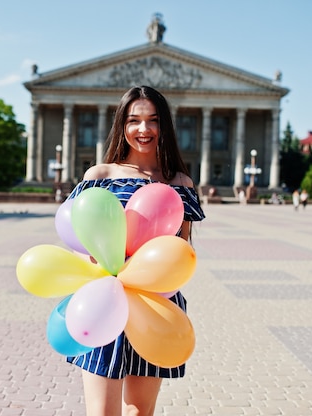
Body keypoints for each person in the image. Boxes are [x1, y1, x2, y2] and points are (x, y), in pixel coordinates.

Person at [64, 86, 205, 415]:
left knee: (140, 412)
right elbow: (76, 239)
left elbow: (181, 249)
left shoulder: (179, 184)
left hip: (155, 305)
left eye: (153, 120)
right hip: (103, 302)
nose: (144, 129)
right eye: (135, 120)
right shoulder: (99, 177)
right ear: (122, 125)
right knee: (102, 412)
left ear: (164, 126)